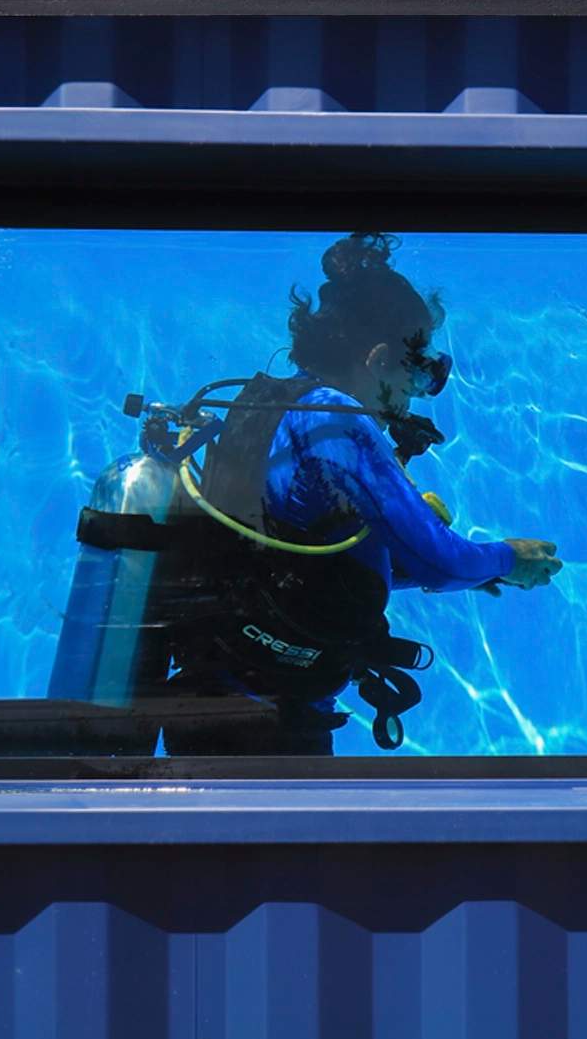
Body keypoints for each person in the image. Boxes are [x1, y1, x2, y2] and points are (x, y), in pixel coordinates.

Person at [145, 231, 562, 753]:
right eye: (422, 366)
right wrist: (506, 558)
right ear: (381, 358)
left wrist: (470, 573)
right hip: (274, 721)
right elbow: (442, 562)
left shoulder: (276, 406)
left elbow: (295, 563)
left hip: (218, 694)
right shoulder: (336, 425)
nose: (423, 387)